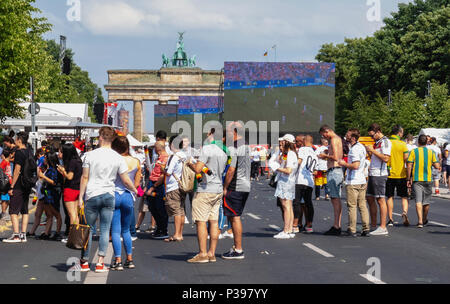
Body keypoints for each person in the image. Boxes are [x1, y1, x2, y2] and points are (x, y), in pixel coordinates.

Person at [78, 127, 137, 273]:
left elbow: (84, 177)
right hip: (109, 195)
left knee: (89, 230)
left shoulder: (89, 155)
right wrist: (135, 190)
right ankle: (100, 262)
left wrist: (80, 197)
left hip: (92, 194)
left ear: (100, 137)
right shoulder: (117, 157)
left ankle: (84, 262)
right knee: (105, 230)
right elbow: (125, 179)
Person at [187, 130, 228, 263]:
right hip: (217, 189)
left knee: (201, 221)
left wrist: (190, 164)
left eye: (208, 134)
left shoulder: (207, 149)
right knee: (214, 222)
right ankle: (212, 253)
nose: (206, 136)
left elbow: (198, 169)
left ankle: (202, 253)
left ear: (212, 135)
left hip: (205, 189)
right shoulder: (223, 152)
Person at [110, 136, 141, 270]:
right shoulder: (136, 161)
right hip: (128, 196)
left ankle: (117, 260)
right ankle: (129, 259)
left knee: (115, 231)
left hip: (114, 194)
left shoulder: (112, 161)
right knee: (126, 230)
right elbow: (137, 183)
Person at [222, 123, 251, 259]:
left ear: (234, 132)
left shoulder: (235, 146)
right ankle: (236, 247)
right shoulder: (245, 145)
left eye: (227, 131)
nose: (226, 133)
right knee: (234, 216)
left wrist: (225, 187)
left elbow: (231, 169)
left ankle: (238, 249)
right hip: (245, 184)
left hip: (236, 185)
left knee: (234, 217)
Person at [338, 129, 370, 237]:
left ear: (353, 138)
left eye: (347, 134)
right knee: (362, 205)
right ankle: (366, 228)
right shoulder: (361, 147)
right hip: (361, 179)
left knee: (352, 206)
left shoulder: (354, 149)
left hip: (353, 180)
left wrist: (344, 163)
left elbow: (355, 165)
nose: (345, 136)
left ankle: (352, 229)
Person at [3, 132, 33, 243]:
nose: (15, 140)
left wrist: (11, 186)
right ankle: (23, 234)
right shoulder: (29, 151)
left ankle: (16, 235)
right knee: (25, 210)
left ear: (20, 140)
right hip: (27, 184)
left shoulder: (19, 153)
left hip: (19, 184)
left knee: (13, 211)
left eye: (16, 138)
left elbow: (17, 170)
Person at [406, 135, 440, 228]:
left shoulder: (413, 151)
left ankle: (420, 221)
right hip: (428, 179)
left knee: (418, 200)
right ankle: (424, 218)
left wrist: (408, 178)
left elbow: (409, 166)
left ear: (418, 142)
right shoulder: (431, 152)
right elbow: (437, 166)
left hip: (417, 179)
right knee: (426, 201)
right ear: (426, 142)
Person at [365, 123, 391, 236]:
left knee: (380, 200)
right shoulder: (377, 142)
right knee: (370, 198)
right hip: (373, 172)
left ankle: (383, 226)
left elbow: (386, 158)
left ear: (378, 131)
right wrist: (370, 152)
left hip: (380, 174)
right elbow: (376, 157)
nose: (371, 138)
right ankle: (374, 225)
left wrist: (373, 150)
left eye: (372, 135)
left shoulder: (385, 142)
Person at [318, 125, 344, 236]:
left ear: (327, 131)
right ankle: (337, 224)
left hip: (334, 170)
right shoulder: (337, 139)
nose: (324, 137)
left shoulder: (334, 139)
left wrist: (325, 155)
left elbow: (336, 157)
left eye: (324, 135)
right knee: (335, 198)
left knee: (335, 198)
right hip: (335, 170)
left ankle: (336, 226)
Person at [271, 134, 298, 239]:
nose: (281, 143)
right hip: (289, 181)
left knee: (286, 206)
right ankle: (289, 229)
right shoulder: (291, 153)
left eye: (282, 141)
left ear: (287, 142)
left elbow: (288, 170)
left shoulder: (290, 154)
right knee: (289, 206)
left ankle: (286, 230)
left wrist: (277, 167)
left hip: (286, 181)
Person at [163, 135, 187, 242]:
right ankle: (180, 233)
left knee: (176, 211)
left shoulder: (174, 157)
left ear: (172, 144)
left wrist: (161, 168)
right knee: (181, 210)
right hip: (183, 185)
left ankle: (177, 234)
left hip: (173, 186)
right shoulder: (185, 155)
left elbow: (168, 173)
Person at [58, 144, 83, 242]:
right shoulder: (78, 161)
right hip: (78, 189)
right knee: (76, 214)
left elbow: (69, 177)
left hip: (70, 189)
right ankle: (76, 236)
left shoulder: (71, 162)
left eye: (62, 152)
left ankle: (71, 237)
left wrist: (62, 170)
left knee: (71, 214)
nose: (60, 154)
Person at [386, 125, 410, 227]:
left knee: (389, 197)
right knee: (404, 197)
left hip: (389, 174)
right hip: (401, 174)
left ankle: (390, 219)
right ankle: (404, 212)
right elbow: (407, 160)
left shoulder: (387, 143)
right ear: (399, 133)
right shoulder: (402, 144)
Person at [145, 142, 169, 240]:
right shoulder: (158, 158)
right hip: (153, 182)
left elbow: (162, 175)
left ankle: (163, 230)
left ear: (157, 148)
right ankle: (159, 228)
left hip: (159, 185)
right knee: (152, 207)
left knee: (160, 208)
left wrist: (152, 187)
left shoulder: (165, 158)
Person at [37, 150, 63, 240]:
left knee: (56, 213)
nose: (44, 159)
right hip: (47, 193)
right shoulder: (48, 168)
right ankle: (46, 232)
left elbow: (53, 182)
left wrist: (43, 176)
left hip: (52, 194)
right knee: (49, 214)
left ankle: (58, 232)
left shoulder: (53, 170)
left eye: (45, 157)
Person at [295, 135, 318, 234]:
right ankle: (309, 225)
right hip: (309, 180)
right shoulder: (314, 152)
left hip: (300, 179)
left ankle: (295, 225)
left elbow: (298, 162)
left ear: (304, 141)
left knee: (296, 202)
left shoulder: (302, 149)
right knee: (308, 203)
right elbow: (315, 171)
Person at [0, 149, 13, 221]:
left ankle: (3, 213)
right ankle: (3, 213)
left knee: (6, 199)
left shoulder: (5, 162)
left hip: (7, 182)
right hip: (5, 183)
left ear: (3, 155)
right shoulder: (5, 162)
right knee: (4, 199)